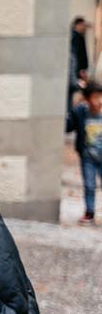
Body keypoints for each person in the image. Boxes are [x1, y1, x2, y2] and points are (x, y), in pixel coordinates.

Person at [67, 80, 102, 224]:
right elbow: (68, 127)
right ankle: (89, 212)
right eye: (95, 97)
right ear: (87, 99)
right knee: (89, 185)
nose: (99, 101)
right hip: (88, 157)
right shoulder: (81, 111)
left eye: (101, 96)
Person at [70, 16, 90, 110]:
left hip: (78, 71)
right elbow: (77, 56)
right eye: (82, 25)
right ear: (76, 25)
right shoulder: (75, 37)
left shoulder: (79, 36)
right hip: (77, 72)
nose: (84, 27)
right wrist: (81, 70)